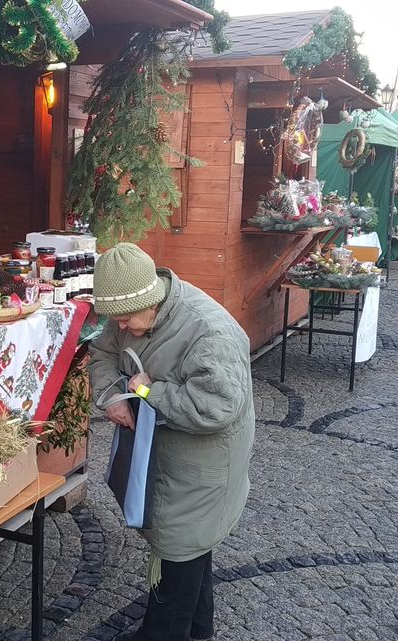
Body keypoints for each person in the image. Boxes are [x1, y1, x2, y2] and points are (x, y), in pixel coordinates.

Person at [88, 242, 255, 641]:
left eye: (128, 319)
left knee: (181, 550)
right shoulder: (130, 312)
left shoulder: (208, 331)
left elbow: (214, 408)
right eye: (117, 319)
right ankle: (197, 633)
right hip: (162, 458)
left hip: (203, 467)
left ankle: (161, 634)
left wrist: (149, 392)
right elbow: (101, 352)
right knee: (189, 551)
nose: (122, 327)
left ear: (153, 298)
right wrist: (112, 395)